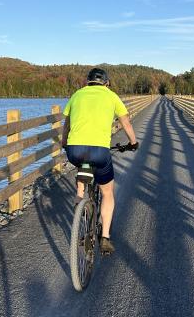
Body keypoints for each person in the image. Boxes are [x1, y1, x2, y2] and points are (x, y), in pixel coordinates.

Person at [62, 67, 138, 254]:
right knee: (107, 192)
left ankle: (79, 207)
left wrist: (65, 144)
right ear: (106, 83)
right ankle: (105, 237)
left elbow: (67, 125)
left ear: (88, 82)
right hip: (99, 152)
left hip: (75, 150)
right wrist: (133, 142)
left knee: (82, 174)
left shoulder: (76, 95)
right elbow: (126, 122)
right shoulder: (111, 96)